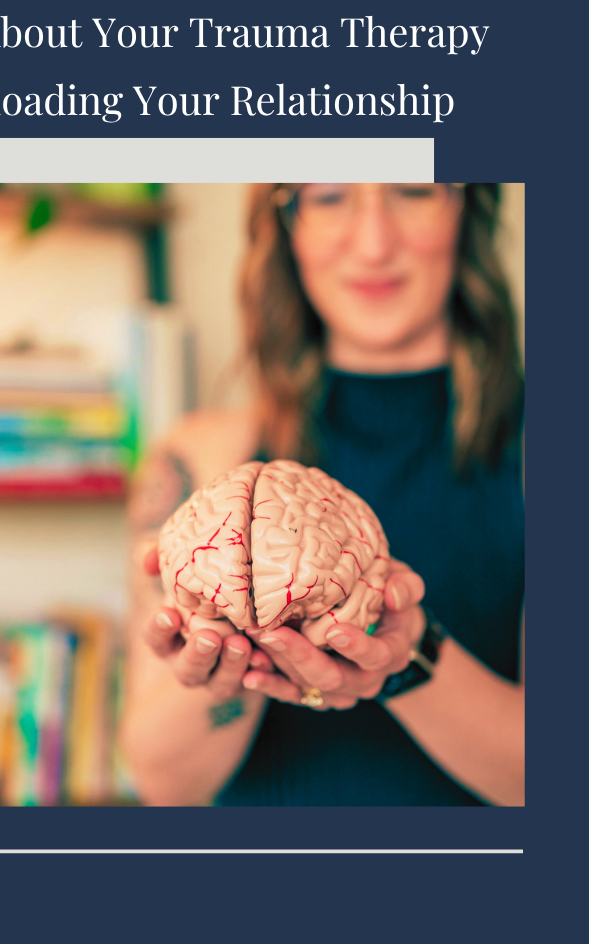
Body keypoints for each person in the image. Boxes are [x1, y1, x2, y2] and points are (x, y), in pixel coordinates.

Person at [118, 183, 525, 807]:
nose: (372, 243)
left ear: (468, 209)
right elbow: (166, 784)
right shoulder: (198, 458)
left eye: (414, 192)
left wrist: (405, 653)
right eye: (330, 197)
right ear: (287, 226)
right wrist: (231, 662)